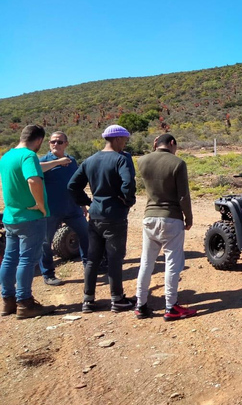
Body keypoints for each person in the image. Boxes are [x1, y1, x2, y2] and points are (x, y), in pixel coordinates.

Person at [68, 124, 136, 313]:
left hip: (95, 215)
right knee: (115, 258)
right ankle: (117, 299)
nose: (125, 143)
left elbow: (72, 185)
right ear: (116, 139)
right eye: (124, 139)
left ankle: (88, 300)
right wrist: (127, 201)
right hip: (115, 216)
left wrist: (87, 201)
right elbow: (128, 183)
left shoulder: (90, 160)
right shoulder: (120, 159)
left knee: (92, 259)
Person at [134, 134, 197, 321]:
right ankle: (171, 306)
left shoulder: (142, 161)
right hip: (171, 218)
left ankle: (140, 304)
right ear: (171, 143)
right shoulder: (178, 163)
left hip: (149, 217)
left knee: (146, 262)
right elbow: (183, 196)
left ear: (156, 143)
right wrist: (189, 217)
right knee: (172, 263)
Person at [0, 124, 56, 319]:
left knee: (9, 259)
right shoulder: (29, 156)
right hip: (30, 218)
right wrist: (40, 205)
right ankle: (25, 303)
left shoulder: (6, 156)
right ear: (39, 140)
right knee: (27, 260)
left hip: (11, 217)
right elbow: (33, 179)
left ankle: (8, 301)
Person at [38, 131, 90, 285]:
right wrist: (57, 162)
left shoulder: (72, 161)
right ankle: (48, 275)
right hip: (51, 210)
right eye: (53, 141)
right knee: (46, 242)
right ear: (49, 143)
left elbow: (76, 185)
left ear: (66, 144)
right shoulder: (43, 161)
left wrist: (82, 204)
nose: (56, 144)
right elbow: (36, 170)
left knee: (86, 234)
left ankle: (89, 267)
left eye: (60, 142)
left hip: (72, 208)